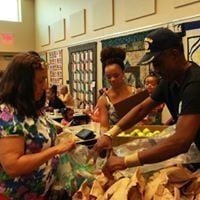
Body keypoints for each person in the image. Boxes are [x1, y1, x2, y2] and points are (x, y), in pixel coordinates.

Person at [93, 28, 200, 175]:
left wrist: (125, 161)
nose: (156, 70)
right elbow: (142, 108)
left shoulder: (195, 84)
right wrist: (110, 134)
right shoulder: (168, 81)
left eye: (158, 63)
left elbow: (181, 141)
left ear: (174, 54)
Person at [0, 53, 75, 199]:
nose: (45, 86)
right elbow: (13, 166)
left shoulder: (33, 107)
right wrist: (56, 150)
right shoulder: (7, 114)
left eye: (45, 79)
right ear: (24, 83)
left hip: (41, 193)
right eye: (40, 81)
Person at [86, 47, 137, 132]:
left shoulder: (135, 93)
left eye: (116, 75)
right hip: (115, 139)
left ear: (123, 73)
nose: (112, 79)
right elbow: (104, 127)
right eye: (109, 77)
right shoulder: (104, 99)